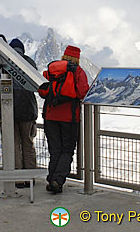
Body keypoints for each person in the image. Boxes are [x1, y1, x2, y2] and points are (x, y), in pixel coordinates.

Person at [0, 38, 38, 188]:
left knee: (12, 145)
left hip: (6, 110)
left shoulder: (1, 63)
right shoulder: (29, 63)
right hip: (27, 110)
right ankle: (30, 177)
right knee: (28, 144)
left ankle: (17, 179)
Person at [39, 45, 89, 194]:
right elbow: (82, 92)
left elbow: (42, 90)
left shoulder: (52, 70)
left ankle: (51, 179)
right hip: (69, 118)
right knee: (67, 150)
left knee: (55, 150)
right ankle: (57, 180)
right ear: (77, 58)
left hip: (50, 116)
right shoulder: (78, 72)